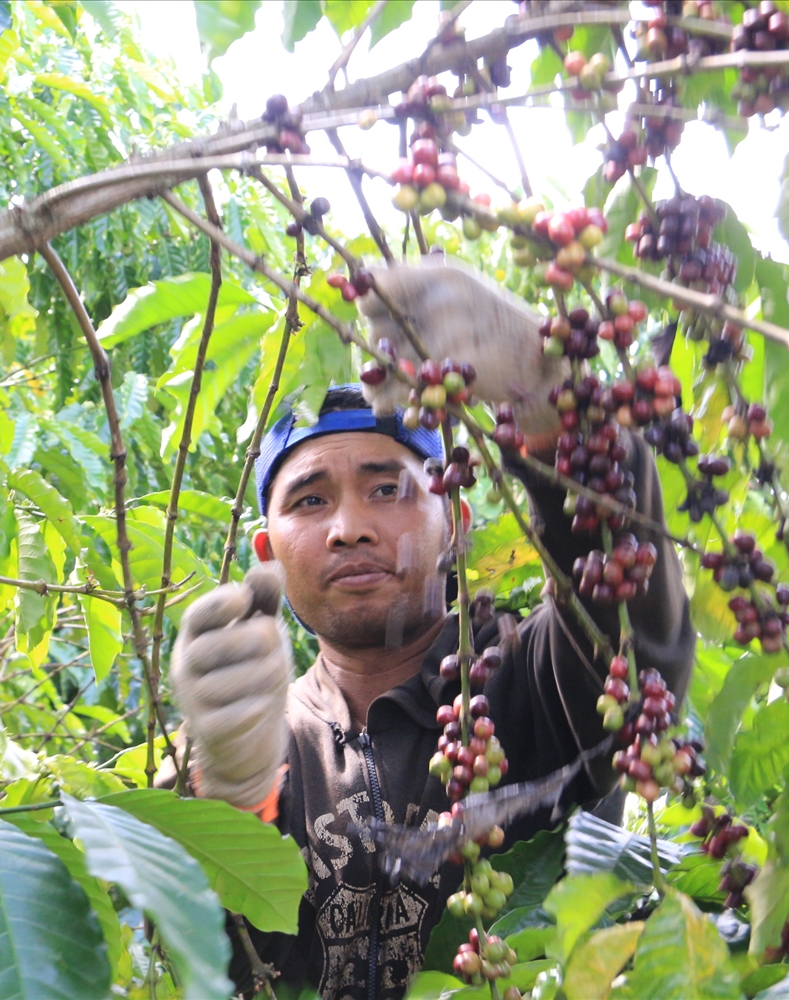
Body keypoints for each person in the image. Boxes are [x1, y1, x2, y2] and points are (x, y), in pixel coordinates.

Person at [168, 376, 694, 999]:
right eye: (309, 501)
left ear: (456, 522)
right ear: (267, 554)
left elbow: (633, 633)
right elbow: (206, 964)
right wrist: (231, 796)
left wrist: (550, 400)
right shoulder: (243, 738)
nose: (348, 528)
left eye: (388, 489)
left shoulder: (536, 673)